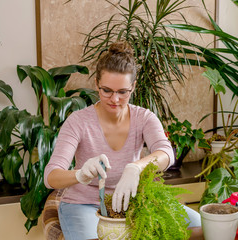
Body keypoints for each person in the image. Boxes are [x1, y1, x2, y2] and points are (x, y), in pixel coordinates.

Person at [44, 41, 203, 240]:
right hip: (84, 205)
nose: (115, 99)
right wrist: (80, 175)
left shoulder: (144, 118)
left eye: (122, 92)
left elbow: (167, 153)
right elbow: (50, 177)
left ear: (133, 87)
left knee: (200, 229)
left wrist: (136, 167)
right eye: (107, 90)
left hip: (133, 203)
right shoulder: (78, 122)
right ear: (96, 85)